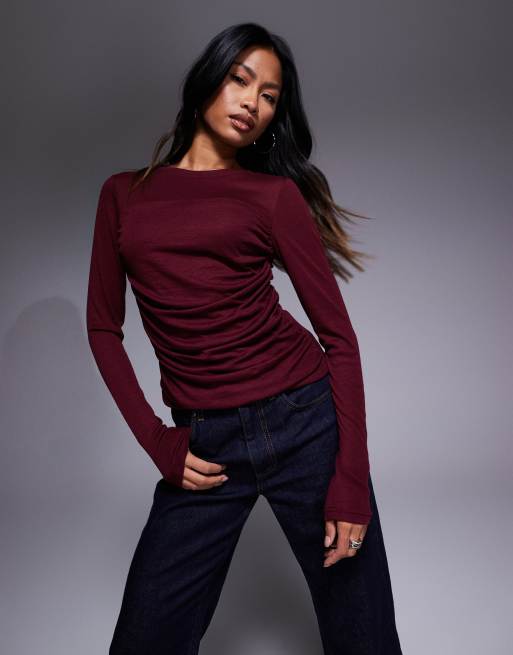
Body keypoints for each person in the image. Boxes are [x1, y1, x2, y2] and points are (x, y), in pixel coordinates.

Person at [86, 21, 403, 655]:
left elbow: (340, 340)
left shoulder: (273, 197)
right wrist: (157, 440)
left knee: (365, 636)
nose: (252, 103)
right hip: (207, 444)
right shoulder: (123, 195)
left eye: (269, 96)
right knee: (145, 637)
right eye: (240, 80)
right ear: (208, 79)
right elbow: (102, 328)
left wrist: (351, 479)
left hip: (306, 424)